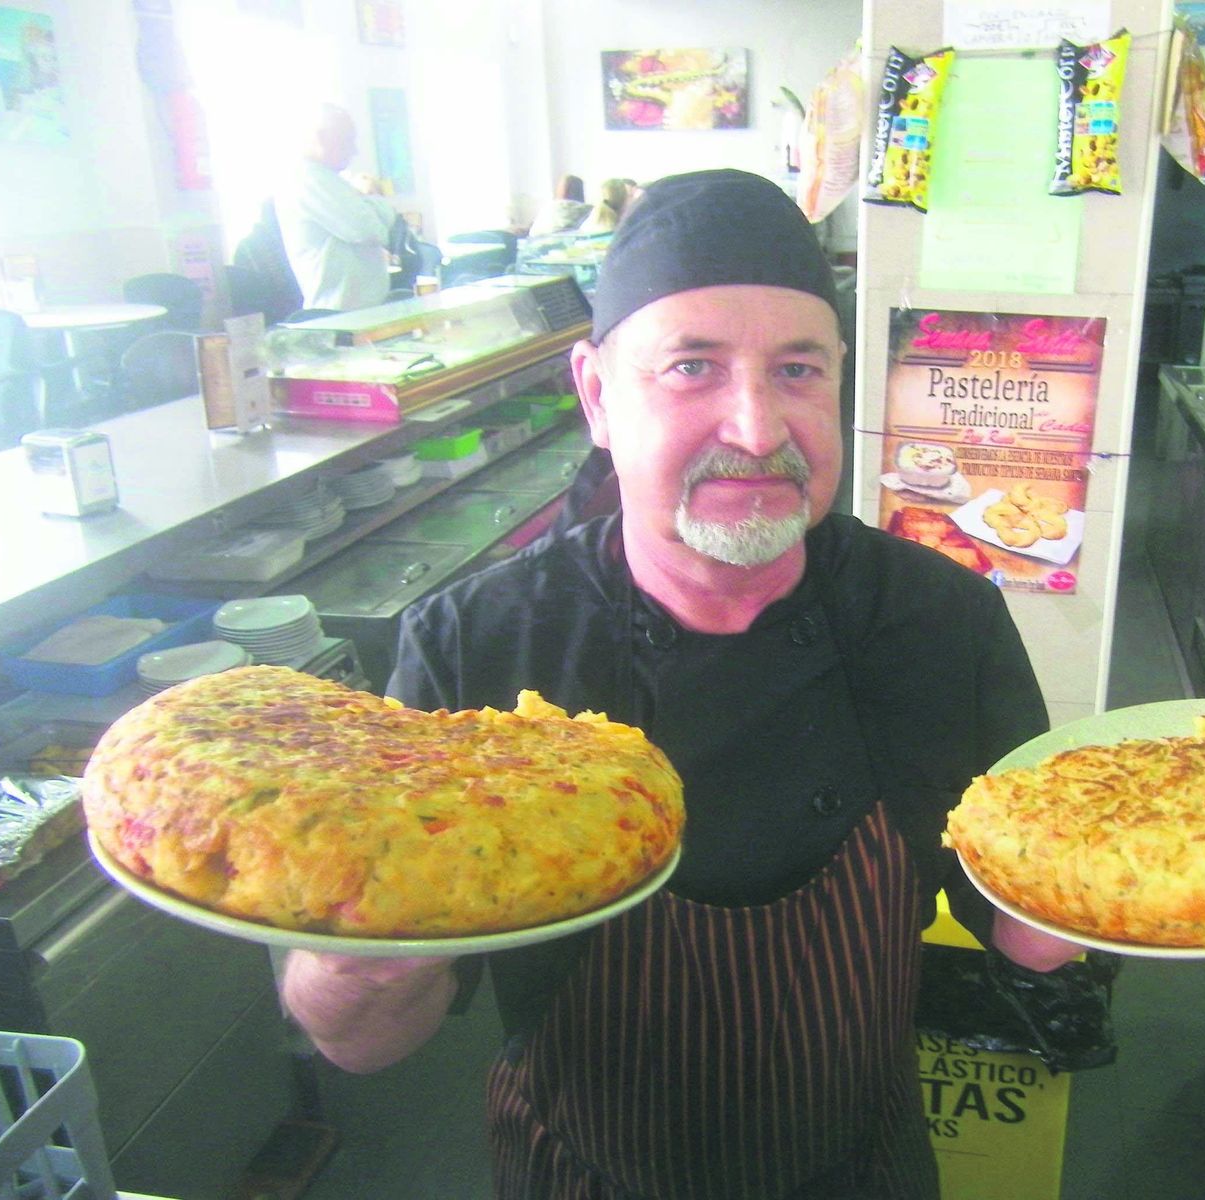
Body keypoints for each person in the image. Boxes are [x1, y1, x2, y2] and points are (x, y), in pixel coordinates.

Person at [282, 168, 1079, 1199]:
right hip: (582, 1175)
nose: (755, 427)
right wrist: (357, 953)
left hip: (861, 1172)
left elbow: (1031, 937)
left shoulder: (939, 619)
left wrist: (1145, 863)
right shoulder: (477, 651)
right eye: (693, 367)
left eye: (797, 371)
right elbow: (360, 1045)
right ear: (596, 395)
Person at [274, 103, 396, 311]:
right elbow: (370, 231)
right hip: (340, 315)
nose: (354, 150)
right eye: (347, 140)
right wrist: (373, 196)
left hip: (359, 311)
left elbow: (380, 223)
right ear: (321, 138)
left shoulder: (331, 180)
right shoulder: (310, 179)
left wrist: (367, 202)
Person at [528, 172, 592, 236]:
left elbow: (536, 231)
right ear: (581, 192)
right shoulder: (589, 211)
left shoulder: (549, 209)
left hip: (539, 242)